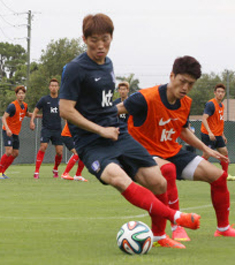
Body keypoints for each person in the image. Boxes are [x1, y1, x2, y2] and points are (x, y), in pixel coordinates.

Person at [58, 13, 201, 249]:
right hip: (91, 143)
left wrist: (111, 128)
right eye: (94, 40)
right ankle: (176, 217)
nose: (100, 45)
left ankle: (158, 237)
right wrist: (101, 131)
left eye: (105, 39)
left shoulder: (109, 64)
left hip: (118, 135)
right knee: (118, 178)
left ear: (111, 38)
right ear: (84, 39)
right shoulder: (74, 69)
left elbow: (104, 104)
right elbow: (66, 110)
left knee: (159, 182)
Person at [118, 56, 235, 246]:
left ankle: (223, 228)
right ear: (172, 76)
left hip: (171, 151)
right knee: (168, 170)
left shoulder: (185, 103)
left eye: (191, 84)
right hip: (142, 153)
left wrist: (205, 148)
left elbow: (182, 130)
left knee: (219, 176)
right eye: (182, 81)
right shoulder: (145, 98)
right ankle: (175, 226)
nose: (185, 88)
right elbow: (114, 111)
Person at [200, 83, 235, 181]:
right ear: (215, 93)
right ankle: (196, 171)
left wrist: (223, 135)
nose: (220, 94)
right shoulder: (211, 104)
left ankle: (225, 175)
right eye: (218, 91)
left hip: (218, 135)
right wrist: (210, 132)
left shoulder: (222, 105)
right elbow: (204, 118)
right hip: (208, 134)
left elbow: (219, 121)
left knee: (224, 152)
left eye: (222, 92)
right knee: (206, 155)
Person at [31, 78, 64, 179]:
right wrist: (32, 121)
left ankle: (55, 169)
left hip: (58, 129)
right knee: (43, 147)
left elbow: (67, 114)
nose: (53, 87)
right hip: (46, 128)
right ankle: (36, 172)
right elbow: (35, 111)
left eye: (55, 86)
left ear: (58, 87)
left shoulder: (62, 100)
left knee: (59, 152)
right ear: (49, 87)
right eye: (52, 85)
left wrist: (68, 126)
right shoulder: (44, 99)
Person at [0, 86, 31, 179]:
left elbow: (28, 114)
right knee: (8, 151)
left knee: (15, 153)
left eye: (22, 93)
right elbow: (3, 118)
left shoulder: (25, 106)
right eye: (19, 93)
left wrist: (39, 116)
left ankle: (3, 172)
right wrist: (7, 129)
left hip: (16, 132)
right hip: (7, 131)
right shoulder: (12, 106)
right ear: (16, 95)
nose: (21, 95)